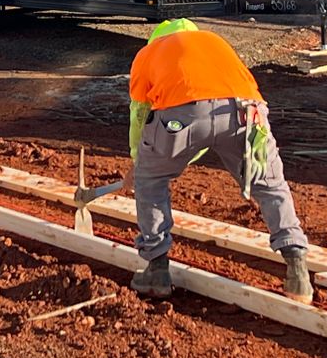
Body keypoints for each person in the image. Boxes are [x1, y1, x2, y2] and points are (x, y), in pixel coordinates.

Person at [126, 18, 313, 303]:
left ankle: (157, 269)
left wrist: (140, 163)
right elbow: (220, 110)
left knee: (151, 182)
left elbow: (140, 114)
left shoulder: (148, 53)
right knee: (270, 184)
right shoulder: (215, 42)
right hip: (245, 112)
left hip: (182, 116)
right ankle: (297, 269)